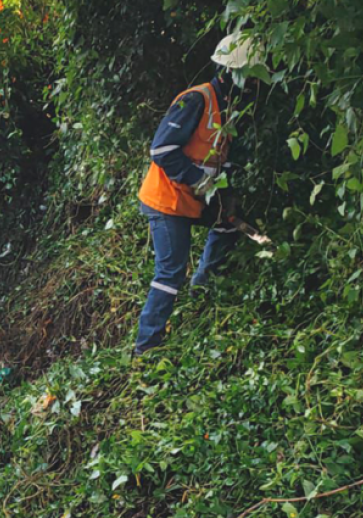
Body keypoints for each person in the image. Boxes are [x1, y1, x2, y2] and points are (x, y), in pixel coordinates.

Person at [134, 31, 263, 355]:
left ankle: (200, 293)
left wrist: (225, 196)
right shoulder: (196, 100)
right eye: (251, 77)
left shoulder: (229, 108)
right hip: (167, 201)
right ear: (233, 73)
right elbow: (161, 149)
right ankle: (146, 347)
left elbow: (220, 158)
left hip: (195, 198)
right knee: (170, 271)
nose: (255, 85)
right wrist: (203, 183)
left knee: (228, 225)